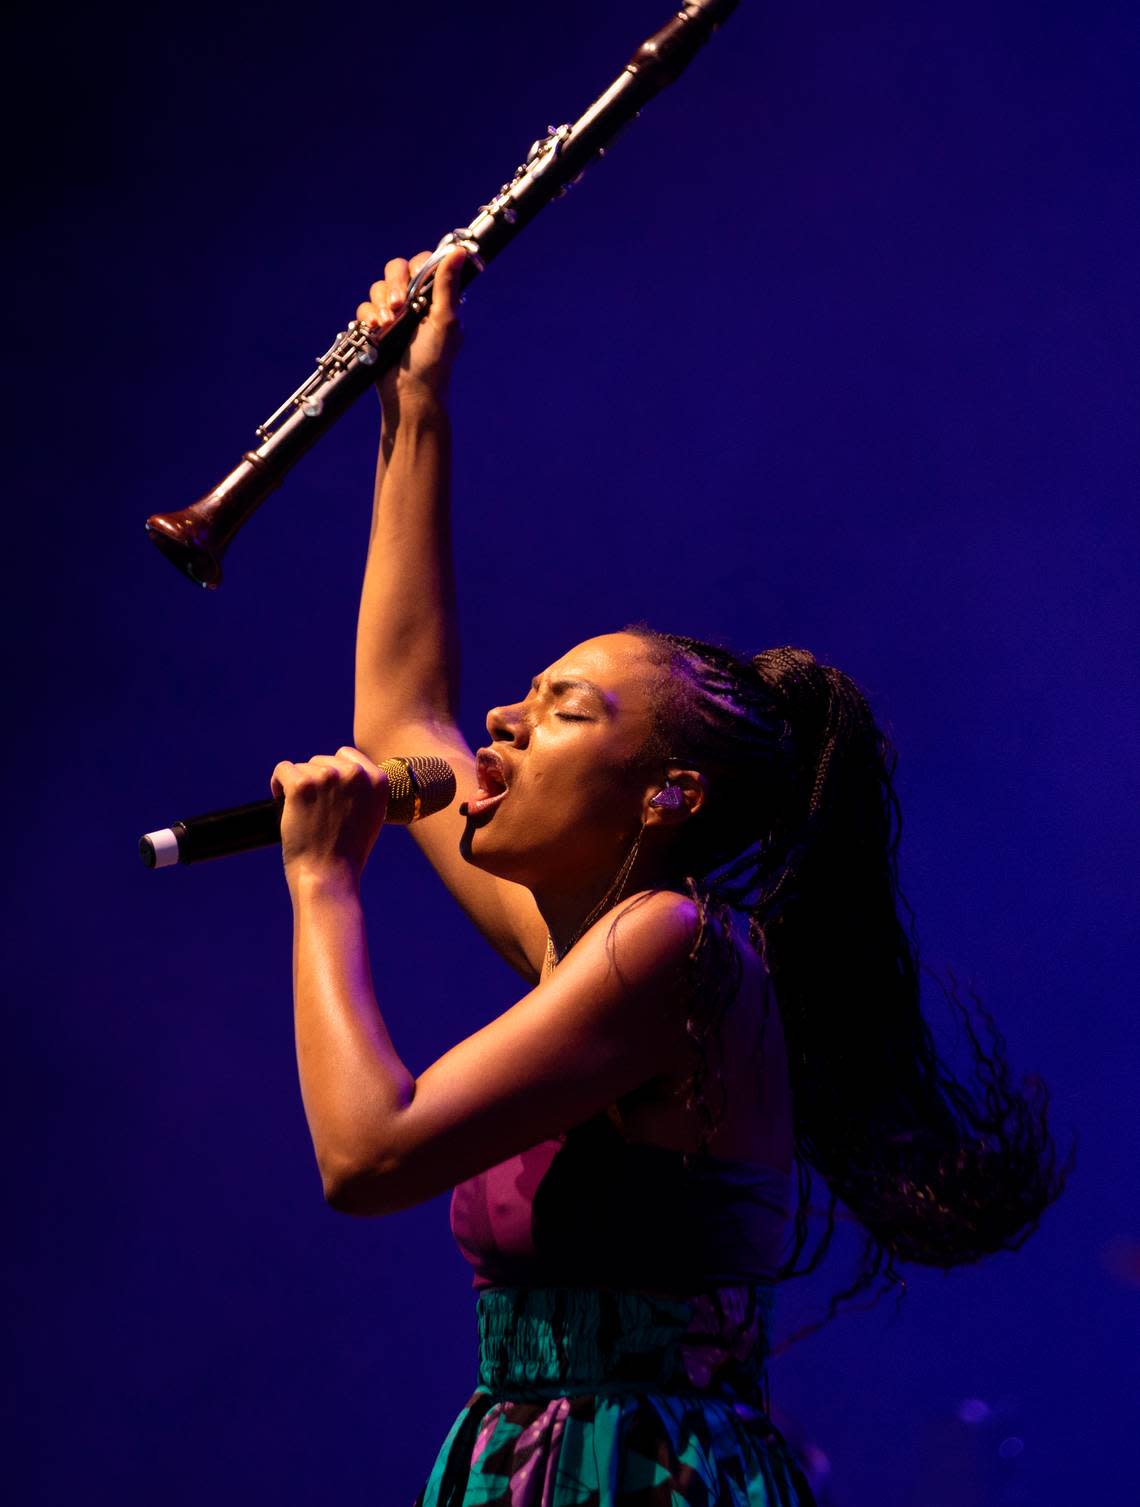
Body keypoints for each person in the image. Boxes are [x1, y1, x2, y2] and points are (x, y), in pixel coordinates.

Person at [270, 250, 1067, 1505]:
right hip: (536, 1456)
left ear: (668, 796)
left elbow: (367, 1156)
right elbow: (401, 716)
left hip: (634, 1474)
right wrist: (413, 401)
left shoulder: (677, 947)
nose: (503, 720)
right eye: (523, 697)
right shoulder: (590, 943)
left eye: (563, 708)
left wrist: (323, 888)